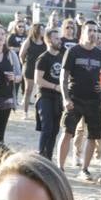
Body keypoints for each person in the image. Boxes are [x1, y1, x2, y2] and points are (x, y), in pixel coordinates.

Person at [57, 20, 101, 180]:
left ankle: (85, 169)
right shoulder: (73, 51)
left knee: (93, 135)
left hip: (93, 101)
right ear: (83, 32)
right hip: (74, 98)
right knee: (67, 132)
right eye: (89, 30)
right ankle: (60, 168)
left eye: (95, 30)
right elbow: (63, 76)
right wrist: (65, 98)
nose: (92, 33)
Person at [32, 27, 64, 159]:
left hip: (58, 98)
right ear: (49, 40)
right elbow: (37, 79)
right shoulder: (43, 58)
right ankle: (41, 155)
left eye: (59, 38)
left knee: (55, 129)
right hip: (44, 96)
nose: (59, 41)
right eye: (56, 38)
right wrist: (55, 86)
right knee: (47, 127)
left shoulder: (62, 57)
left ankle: (48, 158)